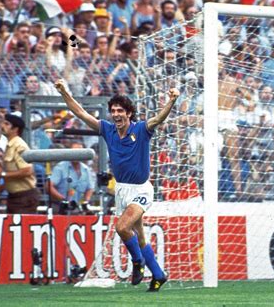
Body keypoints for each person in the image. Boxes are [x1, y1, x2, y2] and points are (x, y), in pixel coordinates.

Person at [54, 78, 180, 292]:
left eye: (120, 110)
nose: (116, 114)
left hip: (141, 190)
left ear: (129, 113)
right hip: (122, 190)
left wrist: (172, 100)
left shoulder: (141, 130)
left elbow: (158, 119)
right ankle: (158, 275)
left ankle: (138, 262)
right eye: (113, 110)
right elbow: (81, 113)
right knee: (138, 236)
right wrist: (64, 91)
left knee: (122, 227)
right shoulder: (108, 130)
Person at [0, 114, 40, 214]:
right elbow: (13, 173)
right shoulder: (9, 145)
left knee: (21, 227)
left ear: (15, 129)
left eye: (7, 124)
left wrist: (2, 174)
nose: (2, 126)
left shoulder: (19, 146)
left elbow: (27, 171)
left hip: (24, 197)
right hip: (15, 196)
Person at [47, 141, 94, 215]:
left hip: (78, 208)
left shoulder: (86, 169)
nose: (76, 155)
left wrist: (86, 201)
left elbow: (90, 188)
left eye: (79, 152)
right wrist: (63, 199)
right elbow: (49, 186)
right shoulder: (60, 167)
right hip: (60, 207)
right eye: (74, 152)